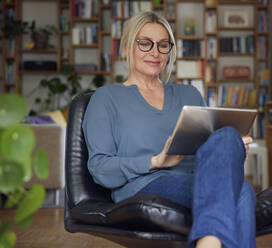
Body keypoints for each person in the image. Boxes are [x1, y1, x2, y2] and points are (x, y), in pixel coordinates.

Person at [83, 11, 256, 248]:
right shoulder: (106, 98)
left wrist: (232, 153)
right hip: (145, 185)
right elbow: (99, 168)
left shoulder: (189, 94)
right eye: (145, 43)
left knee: (227, 136)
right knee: (242, 192)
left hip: (198, 177)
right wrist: (157, 161)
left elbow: (208, 153)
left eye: (163, 45)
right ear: (126, 46)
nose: (155, 52)